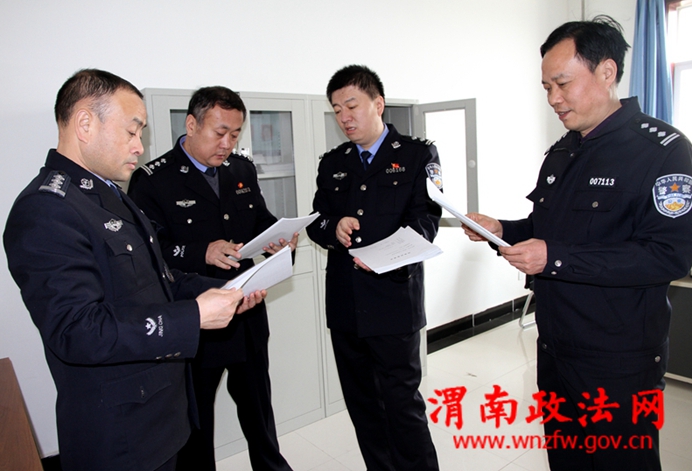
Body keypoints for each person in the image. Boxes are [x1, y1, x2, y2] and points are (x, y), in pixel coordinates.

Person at [463, 16, 692, 471]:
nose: (553, 98)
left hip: (619, 362)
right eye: (546, 87)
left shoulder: (663, 150)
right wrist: (501, 230)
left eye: (563, 83)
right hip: (556, 350)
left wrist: (555, 258)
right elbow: (545, 230)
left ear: (607, 72)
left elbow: (667, 255)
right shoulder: (562, 152)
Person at [3, 69, 265, 471]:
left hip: (161, 417)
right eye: (131, 131)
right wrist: (194, 315)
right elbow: (78, 330)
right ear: (85, 124)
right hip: (121, 435)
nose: (139, 146)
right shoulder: (46, 210)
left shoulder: (108, 194)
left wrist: (227, 289)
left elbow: (159, 280)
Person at [128, 86, 295, 471]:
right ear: (191, 124)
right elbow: (146, 255)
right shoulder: (153, 180)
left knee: (260, 415)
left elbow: (259, 220)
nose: (227, 144)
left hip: (247, 313)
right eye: (220, 132)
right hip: (198, 322)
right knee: (196, 427)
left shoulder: (241, 169)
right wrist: (200, 252)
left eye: (235, 134)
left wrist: (280, 237)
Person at [306, 65, 441, 471]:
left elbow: (426, 220)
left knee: (403, 407)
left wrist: (387, 254)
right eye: (336, 110)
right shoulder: (333, 162)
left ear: (378, 104)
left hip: (393, 303)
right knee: (363, 407)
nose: (344, 117)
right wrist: (334, 227)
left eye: (351, 106)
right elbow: (316, 221)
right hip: (346, 307)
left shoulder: (416, 155)